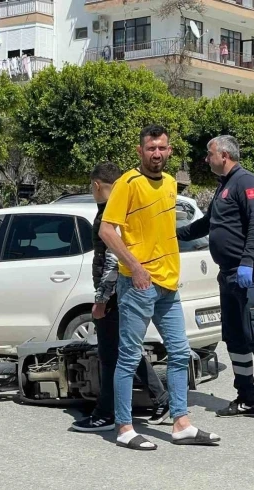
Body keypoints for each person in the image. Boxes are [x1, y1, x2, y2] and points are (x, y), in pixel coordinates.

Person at [99, 124, 221, 450]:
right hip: (139, 284)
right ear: (140, 151)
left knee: (180, 353)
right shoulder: (128, 183)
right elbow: (107, 231)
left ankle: (181, 423)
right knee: (128, 358)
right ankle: (124, 427)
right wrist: (136, 268)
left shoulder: (169, 183)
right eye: (150, 148)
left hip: (168, 284)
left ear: (169, 150)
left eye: (162, 148)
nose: (157, 153)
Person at [177, 135, 254, 427]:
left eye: (210, 154)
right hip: (227, 274)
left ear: (225, 155)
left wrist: (246, 263)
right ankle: (247, 399)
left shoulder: (246, 182)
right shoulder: (224, 187)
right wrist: (173, 234)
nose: (207, 159)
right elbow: (207, 225)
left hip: (250, 274)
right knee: (234, 337)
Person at [72, 163, 170, 432]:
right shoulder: (126, 207)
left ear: (96, 185)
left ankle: (106, 413)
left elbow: (111, 261)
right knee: (124, 350)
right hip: (124, 289)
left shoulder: (110, 213)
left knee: (109, 355)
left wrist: (101, 299)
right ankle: (160, 399)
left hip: (115, 293)